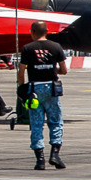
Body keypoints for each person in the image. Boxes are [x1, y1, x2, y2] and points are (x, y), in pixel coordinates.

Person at [17, 21, 68, 170]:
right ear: (47, 31)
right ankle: (55, 154)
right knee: (55, 121)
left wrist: (22, 87)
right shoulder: (56, 47)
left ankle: (40, 160)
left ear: (32, 31)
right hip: (51, 88)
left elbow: (21, 72)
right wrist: (51, 70)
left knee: (36, 123)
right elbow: (64, 70)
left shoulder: (27, 48)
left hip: (34, 89)